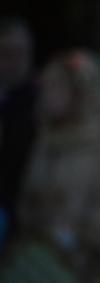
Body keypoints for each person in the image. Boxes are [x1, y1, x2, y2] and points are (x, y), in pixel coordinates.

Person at [19, 50, 100, 281]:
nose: (48, 95)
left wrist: (75, 239)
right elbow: (27, 195)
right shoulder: (45, 137)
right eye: (46, 87)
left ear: (78, 92)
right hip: (39, 256)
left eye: (56, 87)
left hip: (88, 263)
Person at [0, 18, 37, 249]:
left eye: (21, 52)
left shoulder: (41, 102)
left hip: (21, 210)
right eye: (7, 53)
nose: (15, 61)